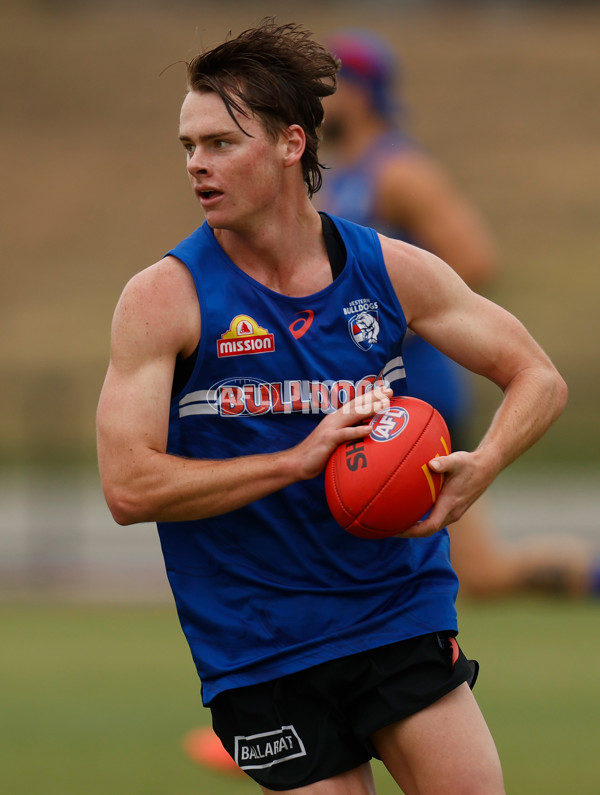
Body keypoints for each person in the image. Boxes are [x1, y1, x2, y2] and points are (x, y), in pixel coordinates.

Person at [96, 20, 567, 795]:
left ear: (289, 144)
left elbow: (538, 376)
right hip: (258, 644)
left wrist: (484, 464)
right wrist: (297, 459)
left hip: (398, 611)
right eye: (189, 146)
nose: (196, 165)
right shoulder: (163, 298)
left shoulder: (388, 269)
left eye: (220, 143)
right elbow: (128, 487)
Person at [315, 28, 595, 600]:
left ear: (360, 91)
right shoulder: (341, 175)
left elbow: (475, 259)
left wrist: (391, 321)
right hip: (370, 398)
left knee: (475, 573)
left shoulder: (398, 172)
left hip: (418, 398)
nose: (314, 98)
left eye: (327, 85)